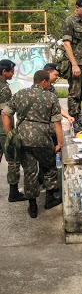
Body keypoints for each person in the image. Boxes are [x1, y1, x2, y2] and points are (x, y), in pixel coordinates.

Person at [2, 70, 63, 219]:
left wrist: (10, 134)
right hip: (42, 139)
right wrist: (60, 142)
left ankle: (33, 207)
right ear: (43, 81)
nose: (49, 84)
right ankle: (49, 199)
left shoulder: (20, 94)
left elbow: (5, 113)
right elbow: (57, 122)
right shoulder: (51, 97)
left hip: (22, 139)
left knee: (30, 171)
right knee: (49, 168)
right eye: (48, 82)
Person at [61, 0, 82, 131]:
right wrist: (74, 64)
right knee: (74, 92)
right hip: (74, 63)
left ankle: (79, 116)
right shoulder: (69, 22)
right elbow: (66, 44)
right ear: (77, 8)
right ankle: (74, 119)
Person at [0, 59, 25, 202]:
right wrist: (10, 133)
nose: (13, 73)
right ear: (4, 72)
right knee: (13, 159)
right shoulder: (4, 89)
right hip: (3, 129)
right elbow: (5, 112)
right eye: (11, 71)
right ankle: (13, 192)